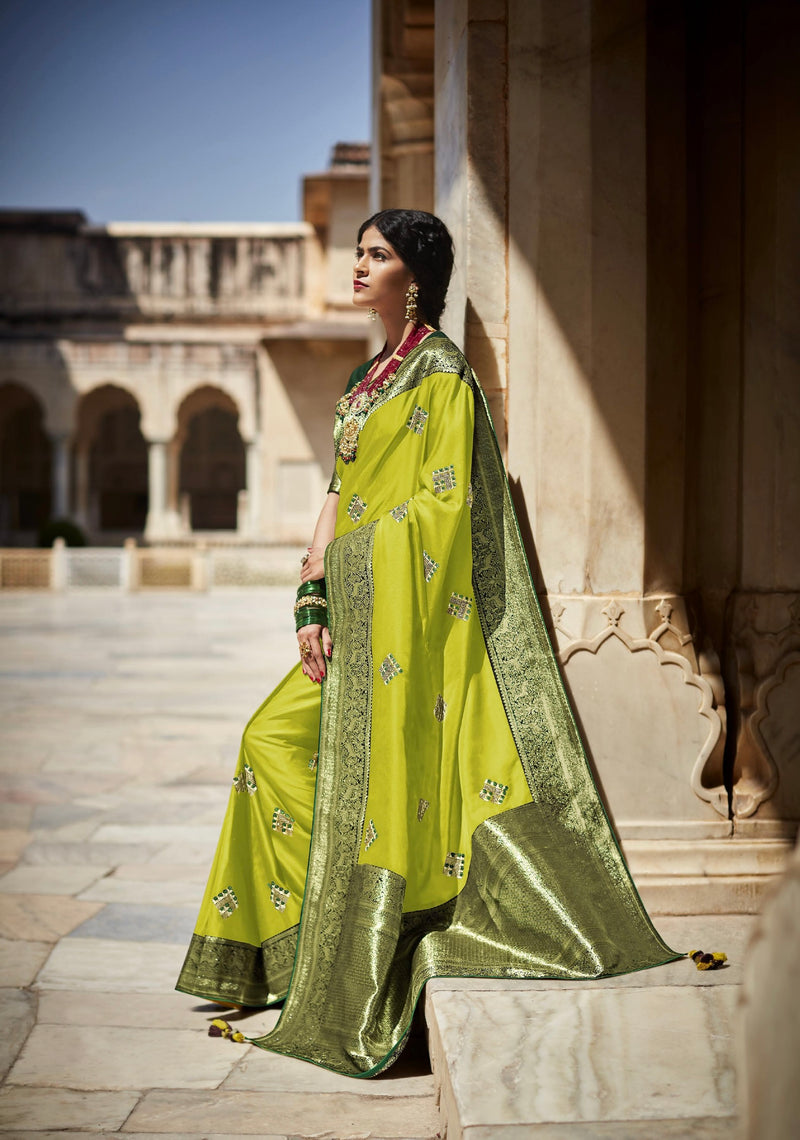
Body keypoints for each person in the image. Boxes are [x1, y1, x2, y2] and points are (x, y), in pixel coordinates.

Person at [176, 208, 682, 1077]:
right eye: (362, 251)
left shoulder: (442, 376)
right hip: (357, 617)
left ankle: (363, 943)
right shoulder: (367, 375)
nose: (361, 264)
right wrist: (312, 598)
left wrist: (352, 570)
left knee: (331, 763)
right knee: (269, 741)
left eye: (378, 254)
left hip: (411, 629)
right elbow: (339, 490)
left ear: (417, 275)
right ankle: (291, 951)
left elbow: (444, 510)